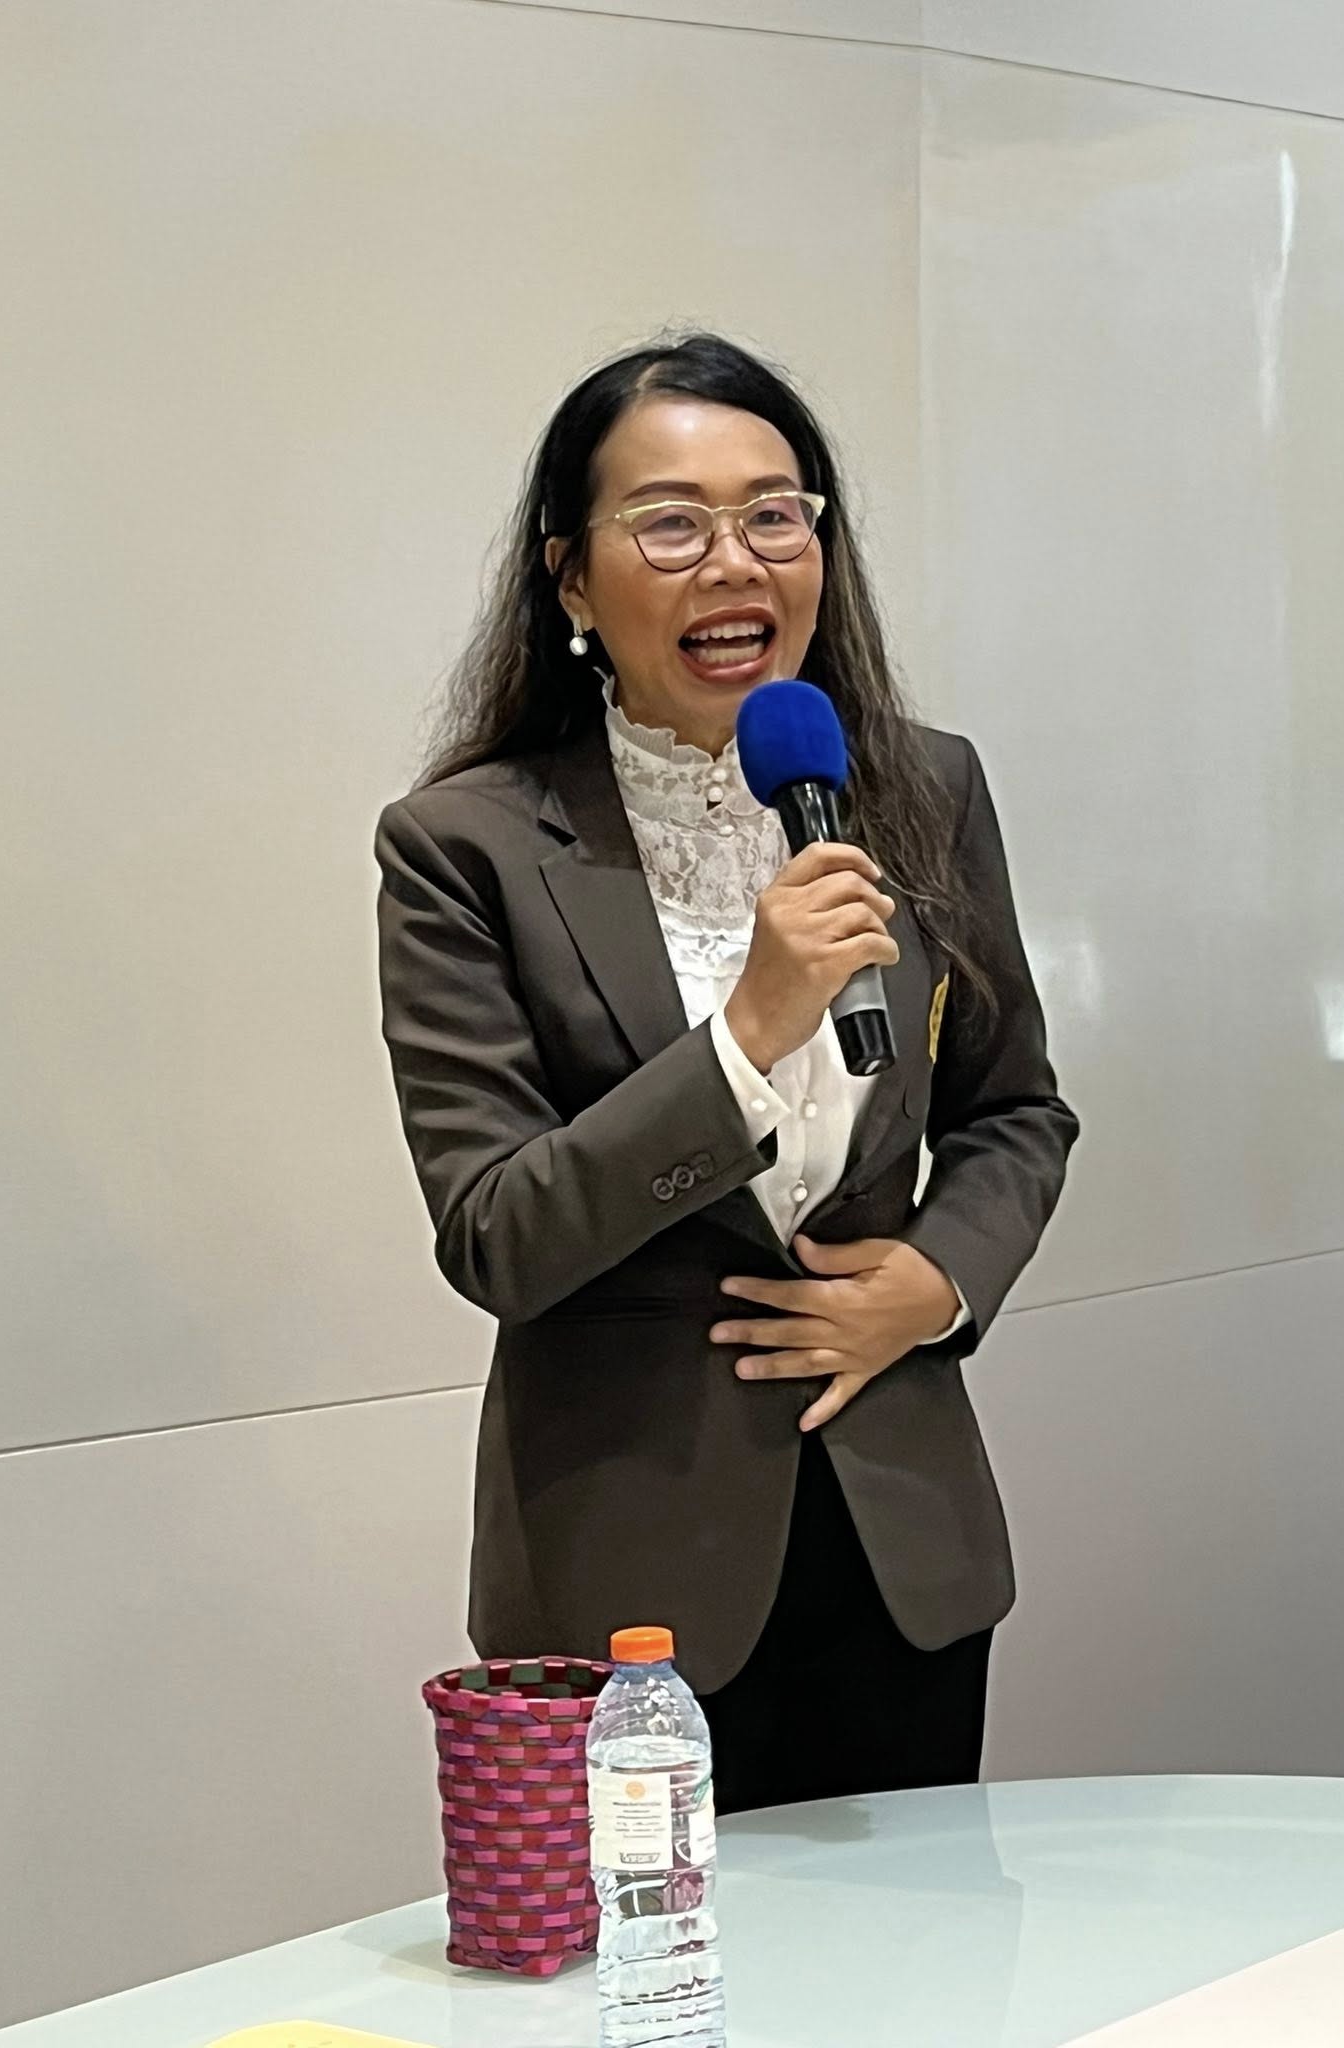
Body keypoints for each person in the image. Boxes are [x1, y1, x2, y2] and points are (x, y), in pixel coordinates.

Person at [373, 332, 1078, 1813]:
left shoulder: (922, 786)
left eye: (775, 515)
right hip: (626, 1575)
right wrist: (746, 1035)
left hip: (901, 1545)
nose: (736, 563)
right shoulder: (465, 848)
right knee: (655, 1957)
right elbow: (499, 1236)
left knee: (928, 1943)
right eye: (671, 524)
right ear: (570, 579)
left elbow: (1015, 1109)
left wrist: (937, 1283)